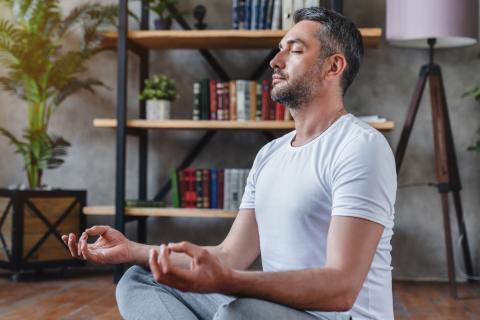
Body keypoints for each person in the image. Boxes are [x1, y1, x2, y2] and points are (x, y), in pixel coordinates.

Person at [62, 7, 396, 320]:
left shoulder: (359, 147)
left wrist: (229, 281)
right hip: (276, 310)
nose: (275, 61)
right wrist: (132, 249)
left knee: (239, 313)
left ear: (333, 66)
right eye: (279, 49)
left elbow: (341, 288)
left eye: (293, 50)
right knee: (141, 279)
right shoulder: (271, 154)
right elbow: (229, 255)